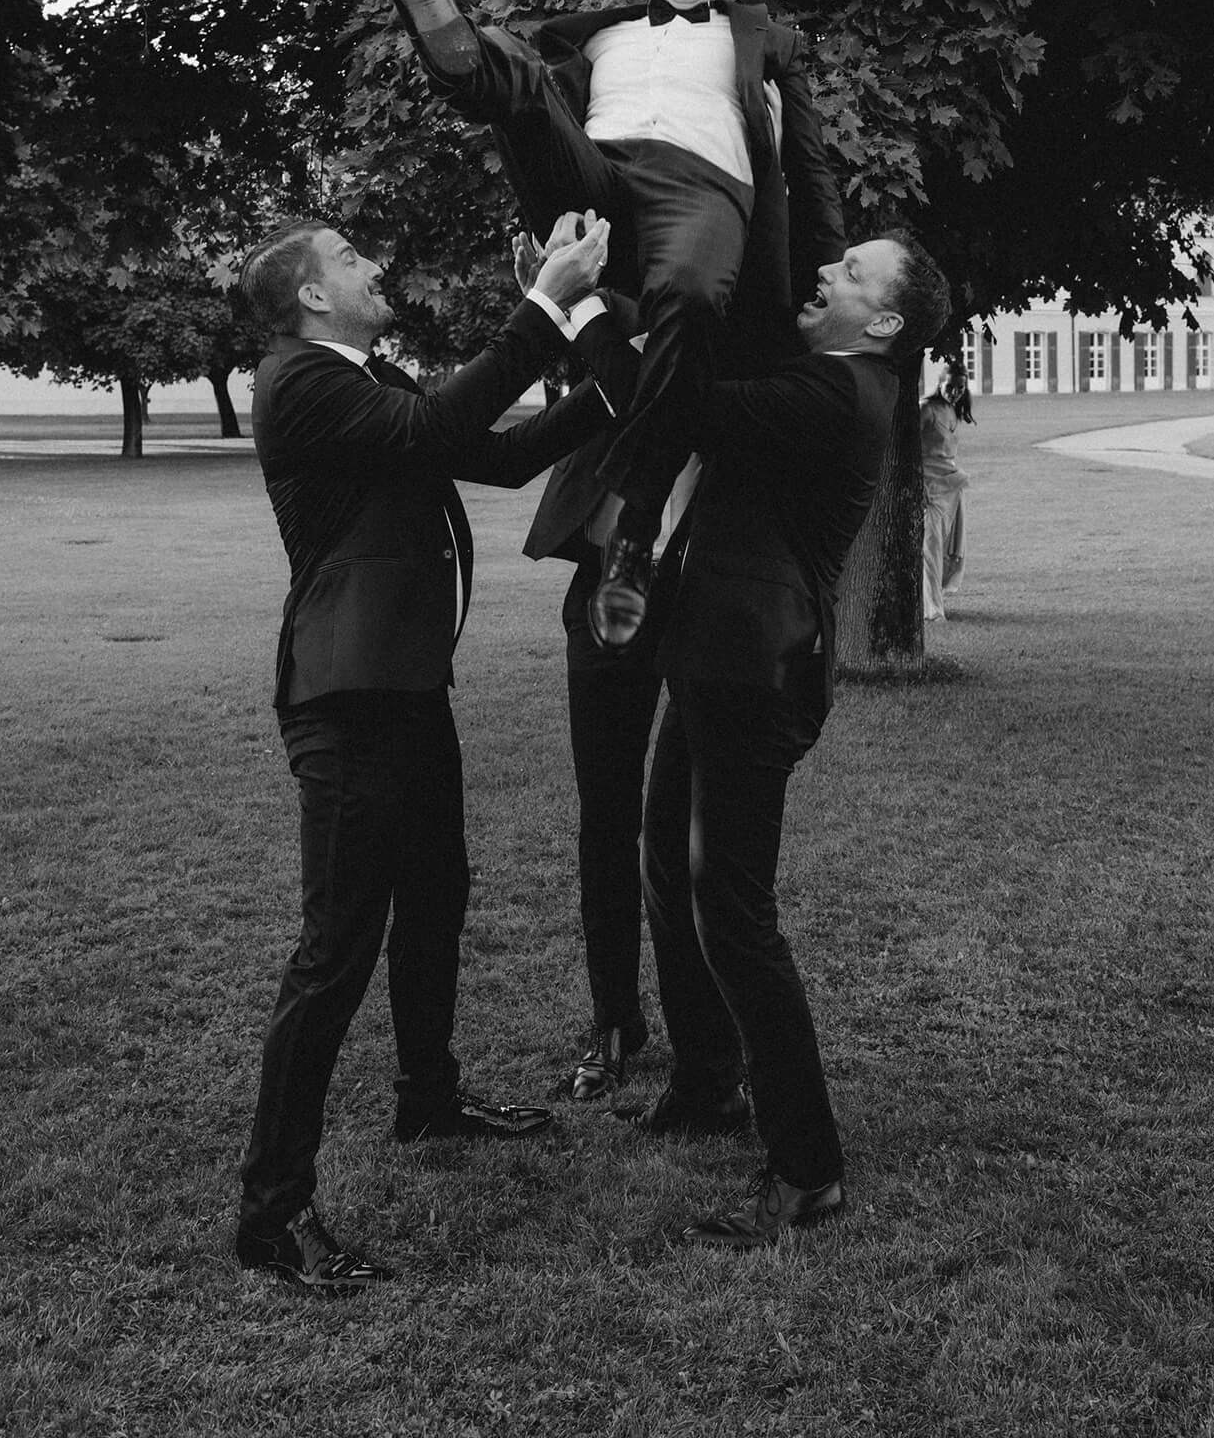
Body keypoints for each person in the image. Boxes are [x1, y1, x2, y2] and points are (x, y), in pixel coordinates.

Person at [233, 214, 612, 1293]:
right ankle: (273, 1211)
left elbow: (488, 453)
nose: (372, 266)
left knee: (437, 893)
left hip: (403, 688)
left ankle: (428, 1096)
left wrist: (621, 389)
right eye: (349, 258)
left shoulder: (367, 373)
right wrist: (544, 302)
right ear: (310, 296)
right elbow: (439, 424)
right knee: (335, 949)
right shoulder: (300, 379)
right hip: (346, 695)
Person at [558, 229, 952, 1247]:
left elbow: (677, 408)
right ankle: (705, 1079)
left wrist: (578, 307)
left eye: (852, 273)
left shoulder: (840, 391)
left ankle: (808, 1166)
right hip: (717, 657)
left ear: (887, 321)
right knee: (664, 854)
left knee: (733, 906)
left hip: (755, 671)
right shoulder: (821, 371)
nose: (825, 272)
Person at [375, 0, 845, 651]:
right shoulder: (593, 37)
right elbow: (545, 122)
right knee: (521, 82)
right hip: (599, 177)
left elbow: (812, 170)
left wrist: (820, 276)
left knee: (690, 299)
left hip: (704, 188)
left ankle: (635, 520)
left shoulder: (768, 46)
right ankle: (441, 24)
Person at [921, 369, 972, 622]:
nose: (955, 392)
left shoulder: (953, 412)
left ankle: (933, 597)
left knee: (949, 547)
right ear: (940, 383)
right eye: (951, 386)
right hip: (930, 487)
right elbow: (909, 450)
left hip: (951, 485)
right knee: (930, 546)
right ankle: (932, 610)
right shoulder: (926, 409)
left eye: (961, 388)